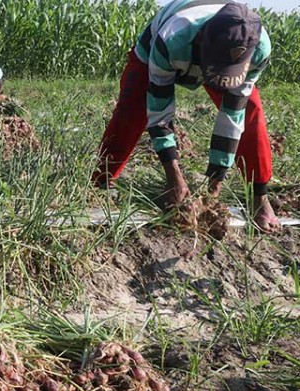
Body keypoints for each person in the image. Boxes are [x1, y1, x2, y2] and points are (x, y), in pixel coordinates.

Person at [93, 1, 280, 232]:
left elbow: (233, 116)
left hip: (221, 59)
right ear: (202, 41)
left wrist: (214, 186)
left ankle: (259, 198)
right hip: (164, 51)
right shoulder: (172, 38)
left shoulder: (259, 49)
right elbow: (159, 111)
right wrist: (175, 179)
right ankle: (100, 181)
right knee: (132, 109)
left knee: (252, 112)